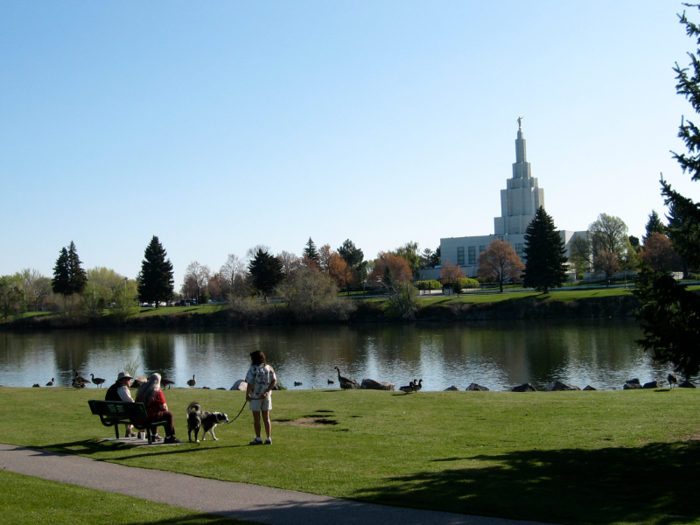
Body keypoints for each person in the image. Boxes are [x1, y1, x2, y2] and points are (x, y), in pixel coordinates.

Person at [135, 373, 182, 444]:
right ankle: (169, 437)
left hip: (140, 417)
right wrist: (165, 410)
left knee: (154, 413)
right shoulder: (157, 391)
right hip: (149, 417)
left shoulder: (141, 390)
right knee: (168, 414)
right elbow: (163, 407)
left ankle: (154, 434)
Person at [245, 350, 277, 445]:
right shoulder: (269, 368)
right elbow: (274, 381)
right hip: (266, 397)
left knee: (257, 419)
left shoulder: (253, 369)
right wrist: (267, 391)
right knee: (266, 418)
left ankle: (258, 438)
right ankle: (268, 438)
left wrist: (247, 395)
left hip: (255, 396)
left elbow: (250, 383)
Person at [105, 372, 136, 438]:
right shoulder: (122, 388)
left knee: (127, 411)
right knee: (136, 412)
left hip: (110, 414)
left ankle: (129, 432)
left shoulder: (113, 387)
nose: (130, 381)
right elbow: (129, 401)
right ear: (124, 380)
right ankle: (136, 432)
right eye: (129, 379)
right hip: (117, 414)